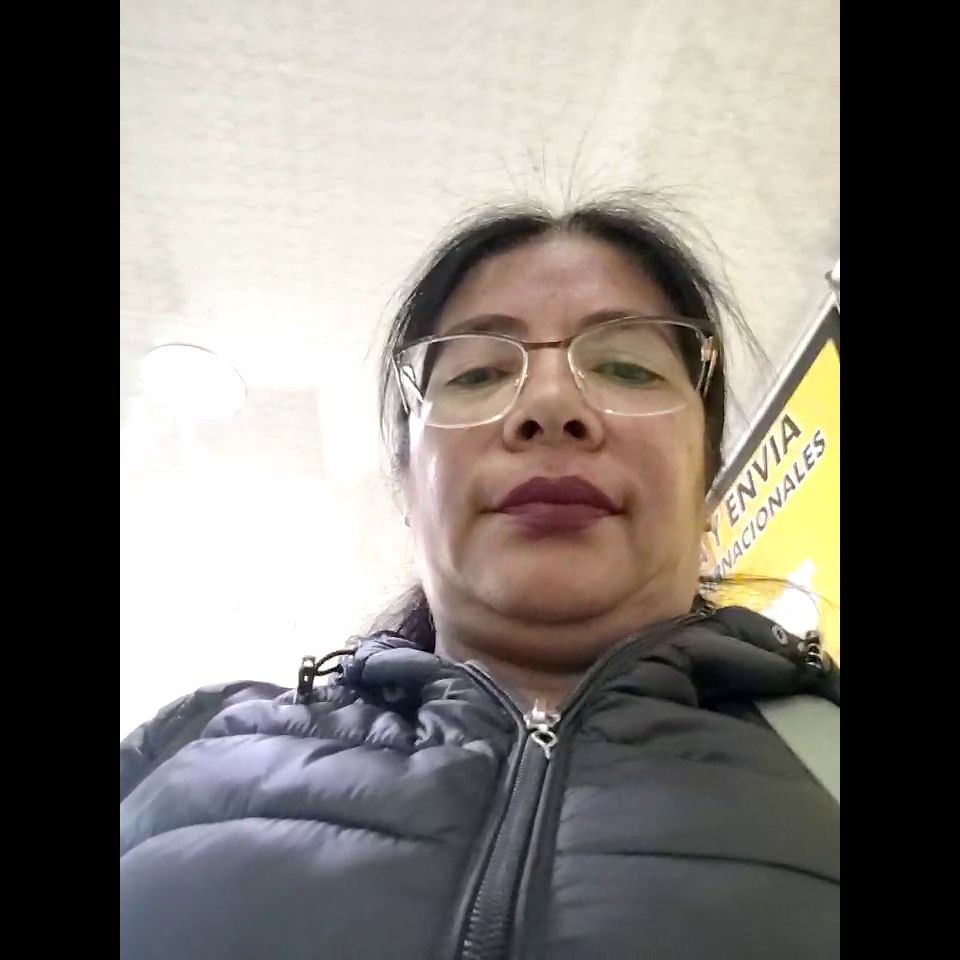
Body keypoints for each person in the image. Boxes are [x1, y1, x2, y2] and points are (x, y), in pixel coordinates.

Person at [120, 197, 840, 959]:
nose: (551, 405)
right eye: (477, 374)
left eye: (627, 367)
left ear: (707, 483)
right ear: (408, 486)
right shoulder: (188, 750)